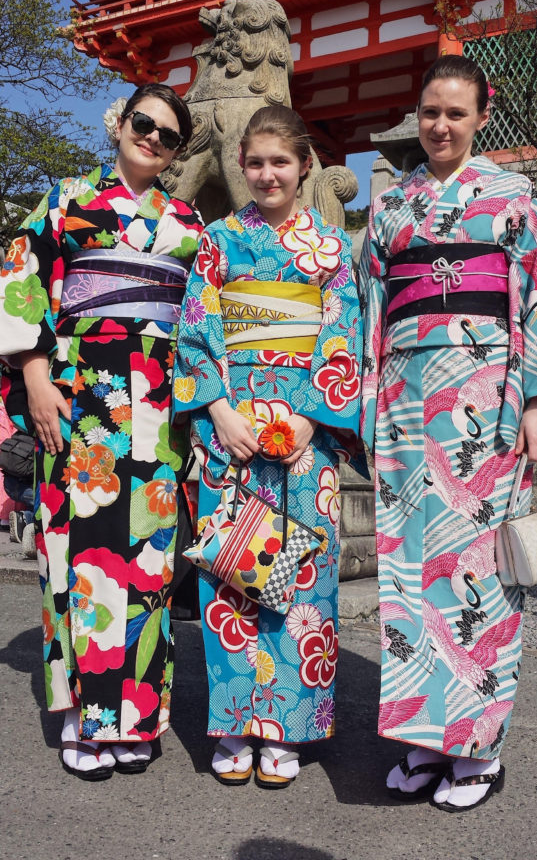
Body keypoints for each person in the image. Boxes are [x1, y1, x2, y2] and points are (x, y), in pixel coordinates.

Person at [359, 54, 537, 812]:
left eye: (456, 112)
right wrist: (365, 405)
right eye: (429, 113)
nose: (441, 125)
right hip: (404, 407)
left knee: (478, 573)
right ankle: (424, 741)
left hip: (486, 408)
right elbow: (366, 311)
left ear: (483, 115)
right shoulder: (392, 208)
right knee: (407, 577)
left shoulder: (512, 196)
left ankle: (477, 749)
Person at [0, 83, 203, 780]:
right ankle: (86, 717)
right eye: (144, 123)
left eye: (168, 135)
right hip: (80, 395)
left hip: (159, 406)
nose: (152, 138)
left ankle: (135, 717)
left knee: (149, 563)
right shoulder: (65, 200)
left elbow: (202, 319)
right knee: (77, 557)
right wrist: (32, 375)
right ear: (120, 124)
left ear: (177, 152)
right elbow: (19, 278)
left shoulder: (188, 223)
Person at [173, 104, 363, 788]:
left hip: (304, 435)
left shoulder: (332, 247)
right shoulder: (219, 240)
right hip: (234, 429)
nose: (266, 174)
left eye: (280, 161)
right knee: (231, 570)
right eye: (254, 162)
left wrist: (314, 418)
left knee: (300, 578)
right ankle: (234, 724)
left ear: (304, 165)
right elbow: (196, 331)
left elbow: (345, 332)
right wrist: (218, 411)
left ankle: (285, 726)